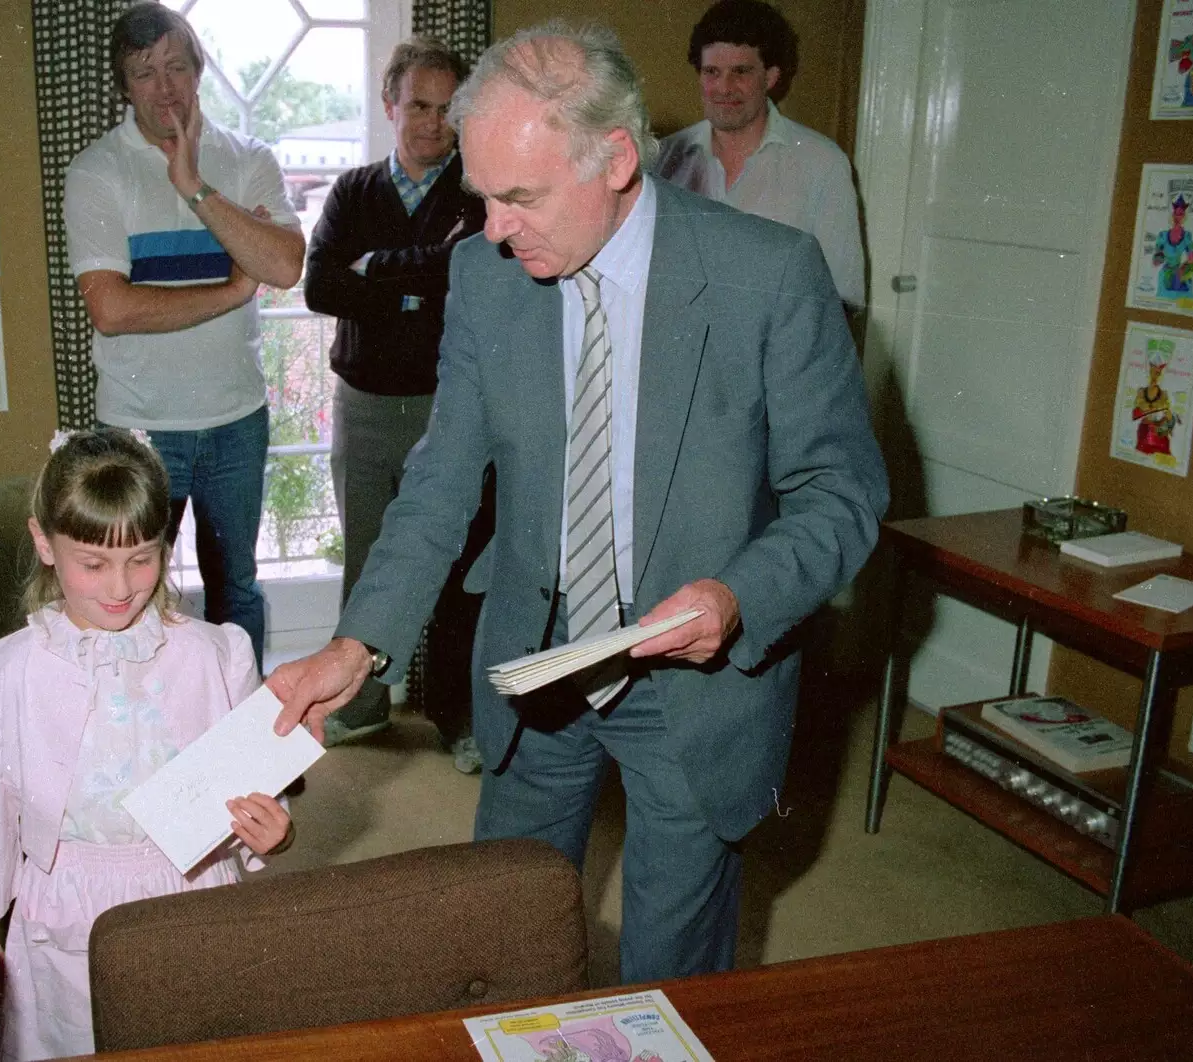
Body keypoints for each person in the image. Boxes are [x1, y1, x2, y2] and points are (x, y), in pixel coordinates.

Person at [270, 21, 888, 982]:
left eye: (519, 198)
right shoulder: (485, 275)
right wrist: (358, 645)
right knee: (507, 939)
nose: (493, 229)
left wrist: (736, 596)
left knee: (669, 973)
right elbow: (441, 478)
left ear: (615, 158)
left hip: (698, 683)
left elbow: (844, 492)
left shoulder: (769, 274)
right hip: (537, 660)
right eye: (484, 197)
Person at [0, 428, 294, 1062]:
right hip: (67, 906)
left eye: (142, 557)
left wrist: (272, 832)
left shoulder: (219, 654)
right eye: (93, 562)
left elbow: (255, 789)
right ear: (43, 544)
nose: (120, 586)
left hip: (193, 894)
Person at [64, 2, 306, 671]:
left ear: (199, 72)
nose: (163, 86)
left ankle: (251, 750)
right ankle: (148, 751)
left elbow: (284, 264)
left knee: (238, 591)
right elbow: (111, 309)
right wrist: (231, 290)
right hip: (140, 427)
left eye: (175, 66)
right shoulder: (97, 171)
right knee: (131, 596)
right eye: (144, 73)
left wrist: (196, 188)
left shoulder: (248, 158)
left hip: (236, 420)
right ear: (124, 85)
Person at [302, 36, 490, 766]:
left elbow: (468, 269)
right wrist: (418, 288)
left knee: (453, 566)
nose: (431, 122)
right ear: (390, 105)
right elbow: (321, 286)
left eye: (447, 109)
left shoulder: (476, 193)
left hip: (448, 409)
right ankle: (366, 704)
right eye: (418, 104)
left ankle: (454, 714)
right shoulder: (352, 190)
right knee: (367, 560)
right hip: (366, 407)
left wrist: (379, 269)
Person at [654, 0, 865, 312]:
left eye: (741, 72)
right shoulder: (664, 158)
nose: (724, 88)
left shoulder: (822, 164)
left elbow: (842, 297)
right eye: (712, 72)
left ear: (770, 77)